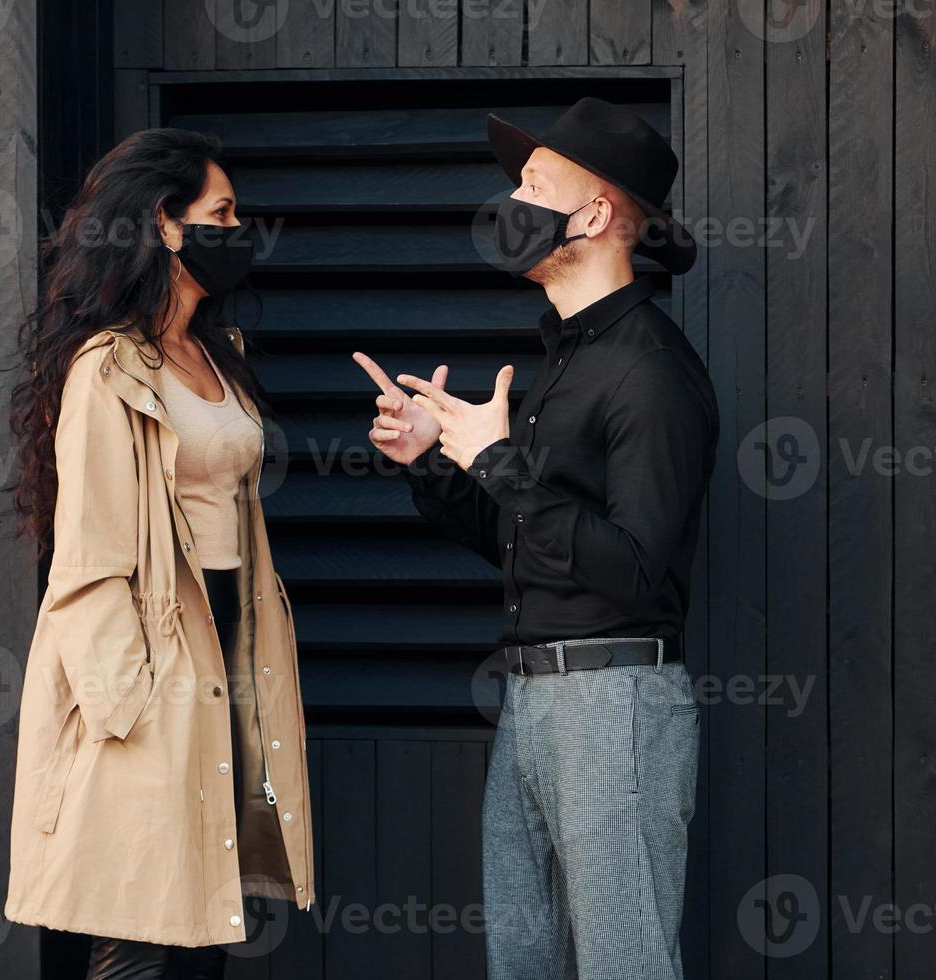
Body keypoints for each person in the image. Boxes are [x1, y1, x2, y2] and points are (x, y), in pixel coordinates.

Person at [356, 97, 719, 980]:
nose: (511, 202)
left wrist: (502, 462)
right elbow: (528, 541)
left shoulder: (652, 372)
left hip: (615, 704)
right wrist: (437, 463)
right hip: (534, 701)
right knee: (524, 962)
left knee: (622, 964)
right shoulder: (569, 361)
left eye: (532, 185)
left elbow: (632, 570)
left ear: (592, 215)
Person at [5, 128, 314, 979]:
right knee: (141, 931)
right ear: (166, 226)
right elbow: (87, 565)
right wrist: (129, 709)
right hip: (149, 659)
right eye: (222, 212)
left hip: (228, 639)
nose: (239, 228)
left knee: (208, 918)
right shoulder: (108, 369)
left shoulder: (218, 353)